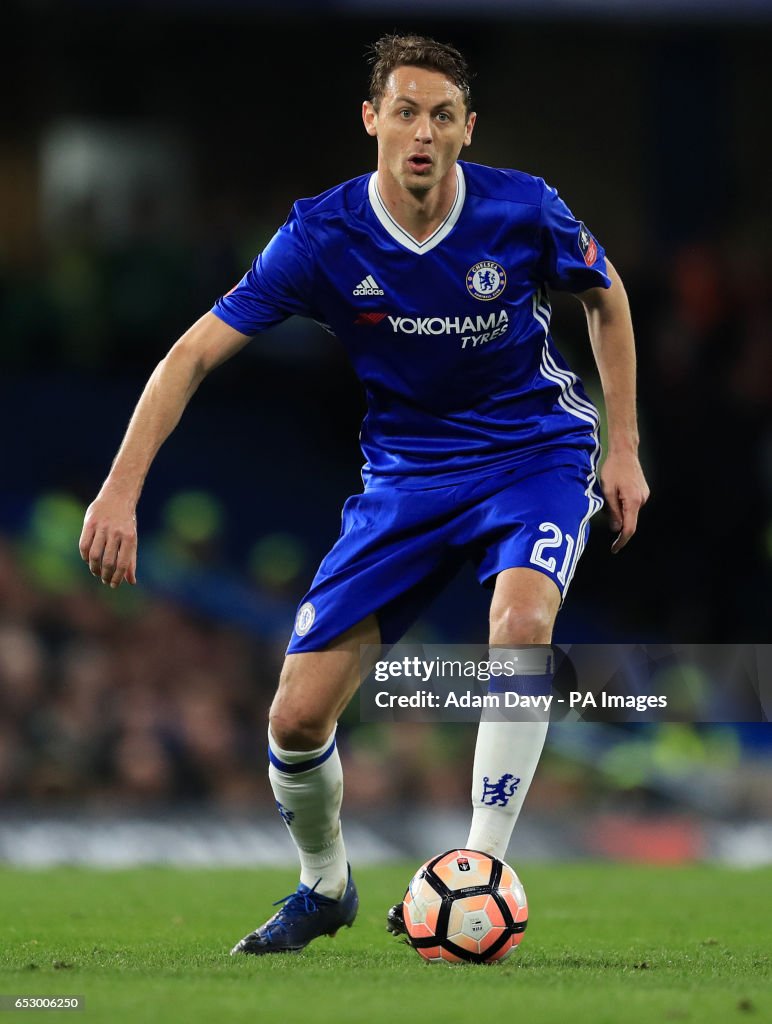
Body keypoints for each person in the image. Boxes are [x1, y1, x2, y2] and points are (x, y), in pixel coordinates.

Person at [79, 33, 649, 955]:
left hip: (532, 455)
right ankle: (325, 885)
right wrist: (118, 490)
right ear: (371, 119)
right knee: (297, 717)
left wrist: (621, 447)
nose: (422, 132)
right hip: (406, 480)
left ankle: (482, 865)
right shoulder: (321, 236)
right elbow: (190, 355)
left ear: (468, 129)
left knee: (519, 621)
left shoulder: (523, 209)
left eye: (442, 115)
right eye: (406, 111)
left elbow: (606, 295)